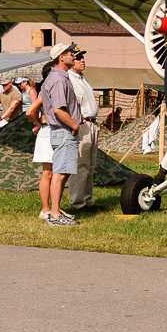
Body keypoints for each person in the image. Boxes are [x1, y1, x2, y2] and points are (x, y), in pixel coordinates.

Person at [39, 43, 82, 226]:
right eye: (70, 53)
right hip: (64, 130)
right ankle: (55, 216)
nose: (74, 55)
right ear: (61, 58)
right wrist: (74, 125)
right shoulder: (58, 79)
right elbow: (58, 110)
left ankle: (56, 211)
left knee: (62, 173)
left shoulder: (56, 78)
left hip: (62, 130)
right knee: (59, 173)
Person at [67, 51, 105, 212]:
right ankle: (77, 203)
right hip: (81, 125)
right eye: (78, 58)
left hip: (92, 124)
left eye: (83, 57)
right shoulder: (69, 80)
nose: (82, 60)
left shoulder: (83, 78)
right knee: (80, 165)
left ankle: (87, 201)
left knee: (90, 166)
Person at [26, 63, 63, 220]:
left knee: (52, 172)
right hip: (48, 131)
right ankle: (46, 209)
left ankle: (51, 209)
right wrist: (39, 123)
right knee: (49, 173)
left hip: (50, 131)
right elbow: (30, 111)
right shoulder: (47, 90)